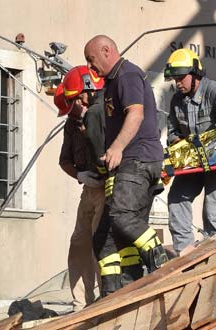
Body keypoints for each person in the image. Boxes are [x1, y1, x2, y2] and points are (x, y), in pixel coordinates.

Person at [84, 35, 168, 296]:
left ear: (107, 50)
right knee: (105, 240)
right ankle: (118, 293)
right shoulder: (111, 83)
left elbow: (136, 113)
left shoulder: (127, 75)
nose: (90, 67)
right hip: (128, 165)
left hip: (138, 160)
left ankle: (160, 261)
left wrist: (117, 147)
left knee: (122, 216)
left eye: (91, 59)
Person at [164, 48, 216, 250]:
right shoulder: (177, 100)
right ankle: (185, 254)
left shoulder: (213, 90)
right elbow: (173, 132)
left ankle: (214, 255)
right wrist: (176, 146)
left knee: (213, 209)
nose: (178, 83)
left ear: (195, 75)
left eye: (181, 78)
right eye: (175, 78)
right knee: (176, 200)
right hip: (195, 162)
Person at [54, 73, 105, 311]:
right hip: (88, 189)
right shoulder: (71, 124)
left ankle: (107, 297)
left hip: (107, 188)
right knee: (79, 242)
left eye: (72, 107)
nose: (71, 114)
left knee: (100, 242)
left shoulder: (104, 111)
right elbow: (64, 161)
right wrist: (80, 175)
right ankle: (81, 303)